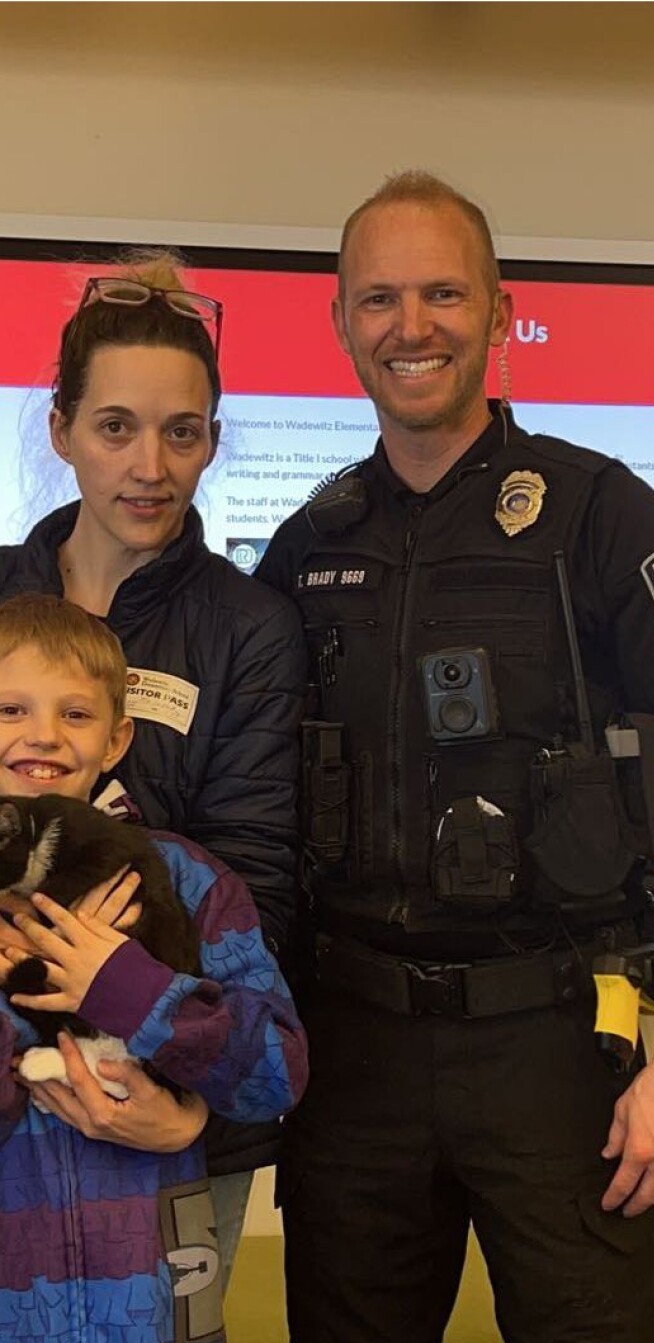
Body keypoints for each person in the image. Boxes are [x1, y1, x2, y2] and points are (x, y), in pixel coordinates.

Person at [257, 171, 654, 1343]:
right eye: (379, 297)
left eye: (441, 292)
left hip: (557, 1050)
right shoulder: (305, 544)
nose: (409, 324)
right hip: (353, 1057)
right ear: (337, 319)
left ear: (499, 309)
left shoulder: (602, 515)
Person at [0, 253, 308, 1282]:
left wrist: (188, 1108)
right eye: (116, 427)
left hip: (172, 1083)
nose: (150, 467)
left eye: (182, 433)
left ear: (212, 440)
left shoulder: (249, 628)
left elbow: (256, 878)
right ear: (61, 429)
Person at [0, 592, 308, 1343]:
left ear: (117, 738)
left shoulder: (188, 880)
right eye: (10, 708)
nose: (43, 735)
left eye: (74, 713)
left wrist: (128, 988)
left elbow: (275, 1072)